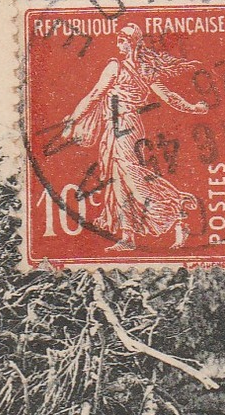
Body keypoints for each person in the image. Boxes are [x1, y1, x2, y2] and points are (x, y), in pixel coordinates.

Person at [59, 24, 209, 251]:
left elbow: (94, 96)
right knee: (119, 180)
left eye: (122, 40)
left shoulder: (117, 67)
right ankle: (128, 236)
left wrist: (72, 121)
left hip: (124, 127)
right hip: (121, 126)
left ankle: (178, 209)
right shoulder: (144, 70)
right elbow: (170, 97)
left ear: (132, 43)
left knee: (131, 176)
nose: (118, 44)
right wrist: (194, 108)